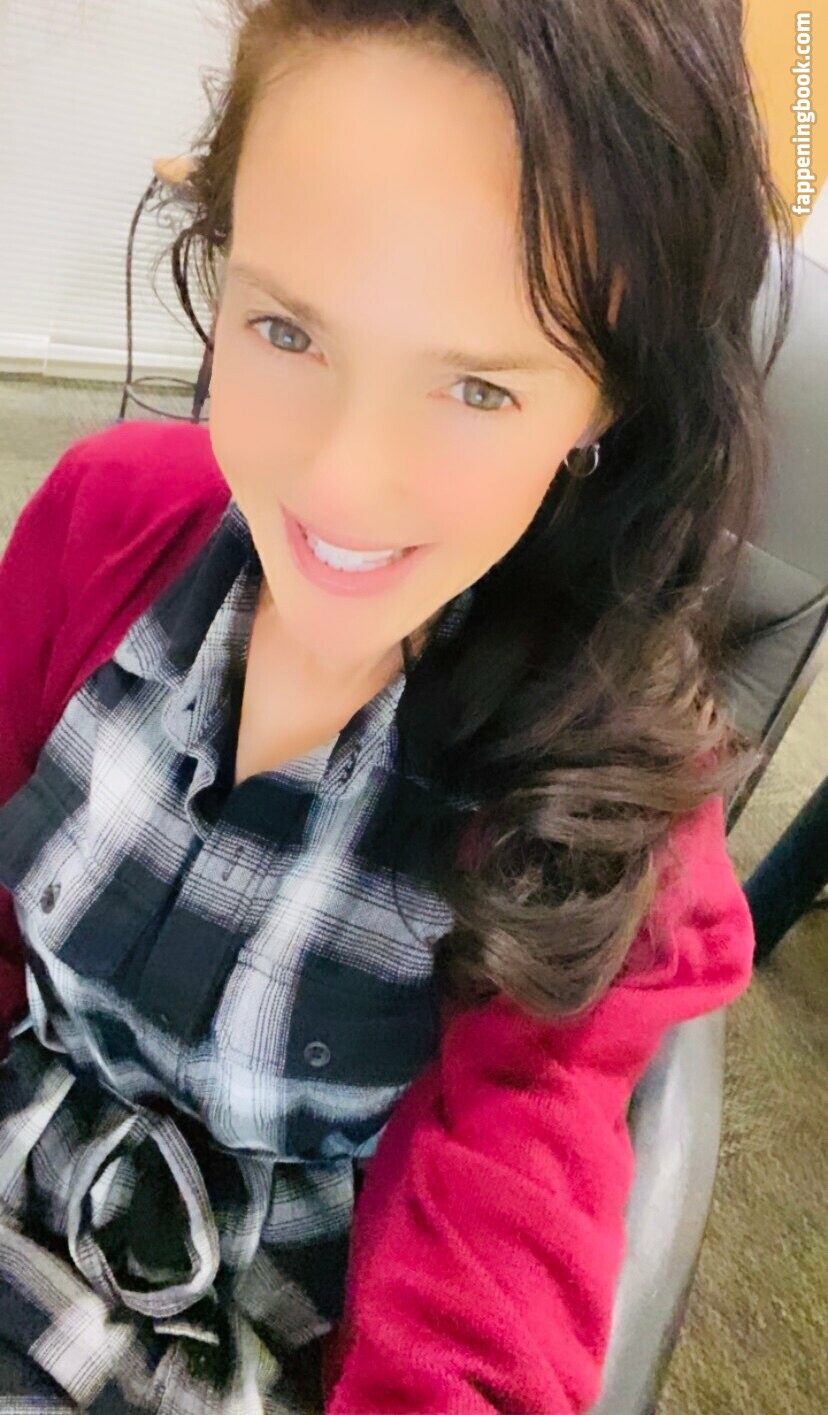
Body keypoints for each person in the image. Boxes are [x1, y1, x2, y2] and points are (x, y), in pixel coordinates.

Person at [0, 0, 794, 1410]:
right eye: (287, 329)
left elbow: (488, 1300)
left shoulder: (599, 822)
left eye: (478, 387)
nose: (341, 480)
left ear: (609, 400)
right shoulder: (103, 519)